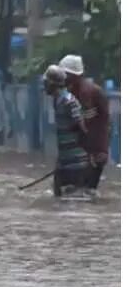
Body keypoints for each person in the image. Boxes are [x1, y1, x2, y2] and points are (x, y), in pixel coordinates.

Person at [59, 54, 111, 192]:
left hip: (90, 153)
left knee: (82, 194)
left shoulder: (93, 93)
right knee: (64, 193)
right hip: (71, 154)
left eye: (65, 74)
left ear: (74, 75)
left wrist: (101, 151)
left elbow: (103, 124)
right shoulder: (65, 94)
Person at [44, 64, 90, 196]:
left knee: (73, 199)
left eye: (46, 83)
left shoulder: (69, 101)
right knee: (58, 198)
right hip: (65, 162)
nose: (44, 86)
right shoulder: (57, 101)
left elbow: (82, 127)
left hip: (77, 163)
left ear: (53, 84)